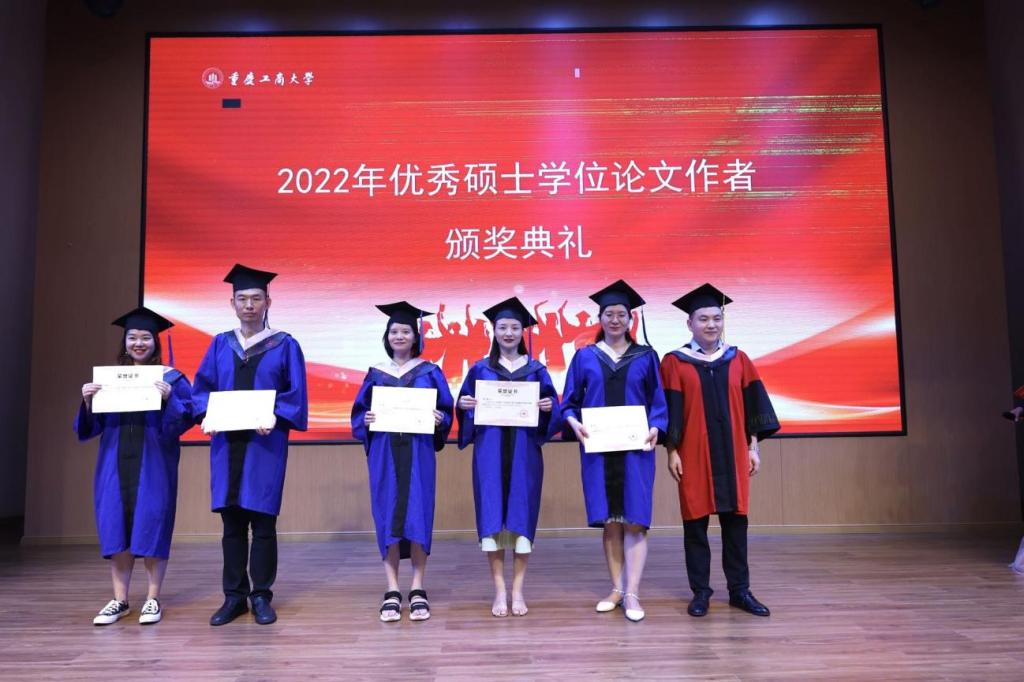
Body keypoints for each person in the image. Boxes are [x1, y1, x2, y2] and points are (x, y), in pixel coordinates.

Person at [192, 264, 308, 626]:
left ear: (268, 302)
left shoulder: (285, 345)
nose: (249, 305)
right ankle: (234, 596)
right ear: (232, 303)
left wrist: (275, 413)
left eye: (256, 298)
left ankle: (260, 596)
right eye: (242, 299)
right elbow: (201, 389)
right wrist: (206, 414)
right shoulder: (219, 344)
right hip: (227, 445)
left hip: (264, 445)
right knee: (231, 525)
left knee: (263, 524)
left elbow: (295, 395)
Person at [659, 283, 780, 618]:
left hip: (734, 451)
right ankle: (701, 593)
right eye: (703, 319)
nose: (711, 324)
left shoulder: (738, 359)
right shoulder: (675, 362)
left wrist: (753, 447)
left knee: (736, 524)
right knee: (695, 525)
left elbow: (752, 406)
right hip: (693, 453)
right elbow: (671, 410)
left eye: (716, 318)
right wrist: (672, 451)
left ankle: (740, 591)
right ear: (689, 323)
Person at [77, 306, 193, 625]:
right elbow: (91, 426)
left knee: (152, 522)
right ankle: (120, 600)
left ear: (155, 341)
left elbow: (186, 418)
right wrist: (88, 401)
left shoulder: (171, 378)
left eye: (145, 337)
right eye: (132, 337)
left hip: (154, 463)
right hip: (114, 461)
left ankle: (153, 599)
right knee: (116, 524)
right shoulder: (111, 380)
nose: (138, 343)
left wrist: (170, 399)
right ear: (125, 342)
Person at [561, 280, 667, 622]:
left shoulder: (646, 357)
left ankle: (632, 592)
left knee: (635, 521)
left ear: (630, 319)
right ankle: (616, 589)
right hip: (599, 449)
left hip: (637, 449)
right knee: (610, 521)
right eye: (609, 314)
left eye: (622, 314)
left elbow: (658, 402)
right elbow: (569, 402)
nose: (615, 319)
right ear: (600, 318)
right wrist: (573, 422)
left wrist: (657, 426)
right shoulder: (585, 357)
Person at [456, 297, 560, 617]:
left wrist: (548, 408)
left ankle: (518, 590)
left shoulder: (536, 370)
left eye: (515, 327)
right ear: (494, 331)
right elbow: (465, 407)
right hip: (489, 453)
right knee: (493, 521)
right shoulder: (480, 369)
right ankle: (499, 590)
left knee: (521, 519)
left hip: (525, 455)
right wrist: (465, 406)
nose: (509, 333)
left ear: (523, 331)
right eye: (503, 327)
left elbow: (552, 411)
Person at [351, 302, 454, 622]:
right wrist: (366, 420)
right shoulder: (375, 373)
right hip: (384, 453)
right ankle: (392, 588)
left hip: (419, 452)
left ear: (415, 337)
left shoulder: (430, 372)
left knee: (419, 513)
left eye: (405, 331)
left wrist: (441, 419)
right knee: (387, 514)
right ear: (387, 336)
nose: (399, 336)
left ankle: (418, 586)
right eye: (394, 331)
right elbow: (359, 414)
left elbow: (446, 410)